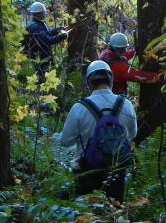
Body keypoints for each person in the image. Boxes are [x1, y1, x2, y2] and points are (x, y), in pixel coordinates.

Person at [54, 60, 137, 202]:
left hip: (87, 170)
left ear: (89, 82)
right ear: (111, 79)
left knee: (87, 214)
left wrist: (56, 136)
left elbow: (65, 142)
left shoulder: (79, 107)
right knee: (115, 212)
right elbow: (133, 134)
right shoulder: (126, 104)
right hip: (117, 169)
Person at [99, 32, 159, 96]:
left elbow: (123, 56)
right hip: (114, 98)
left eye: (124, 48)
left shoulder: (105, 54)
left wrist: (134, 52)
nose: (124, 51)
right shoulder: (118, 67)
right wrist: (160, 75)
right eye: (122, 49)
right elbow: (139, 75)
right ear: (115, 49)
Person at [24, 1, 67, 81]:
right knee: (43, 77)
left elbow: (46, 33)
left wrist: (58, 30)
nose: (45, 14)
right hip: (40, 57)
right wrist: (62, 36)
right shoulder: (35, 26)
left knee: (44, 76)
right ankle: (42, 92)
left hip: (41, 56)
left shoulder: (38, 24)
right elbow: (48, 40)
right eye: (43, 12)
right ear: (38, 14)